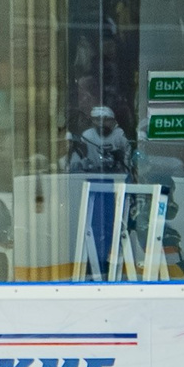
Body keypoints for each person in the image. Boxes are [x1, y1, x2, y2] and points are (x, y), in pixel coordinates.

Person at [65, 105, 134, 279]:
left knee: (115, 225)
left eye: (106, 120)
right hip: (93, 186)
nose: (102, 123)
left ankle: (113, 262)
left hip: (115, 186)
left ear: (113, 121)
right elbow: (80, 163)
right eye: (97, 119)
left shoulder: (119, 136)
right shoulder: (87, 136)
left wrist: (119, 160)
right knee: (93, 226)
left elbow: (128, 163)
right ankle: (92, 262)